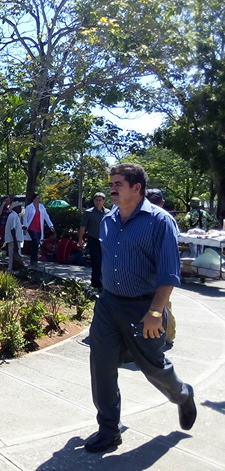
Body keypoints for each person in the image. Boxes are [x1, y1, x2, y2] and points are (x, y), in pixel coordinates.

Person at [84, 163, 196, 454]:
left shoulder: (160, 221)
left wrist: (156, 312)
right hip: (108, 304)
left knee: (152, 367)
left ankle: (183, 395)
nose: (112, 188)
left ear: (137, 188)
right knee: (102, 367)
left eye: (118, 183)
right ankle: (109, 430)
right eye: (111, 183)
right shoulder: (108, 220)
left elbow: (169, 272)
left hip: (143, 308)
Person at [147, 188, 176, 346]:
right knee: (164, 303)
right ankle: (168, 335)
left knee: (159, 304)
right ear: (162, 203)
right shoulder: (166, 219)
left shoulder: (152, 219)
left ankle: (165, 335)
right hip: (163, 272)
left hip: (154, 272)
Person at [78, 192, 110, 289]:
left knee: (104, 262)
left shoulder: (108, 212)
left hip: (105, 241)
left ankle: (103, 281)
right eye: (96, 200)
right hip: (93, 239)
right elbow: (83, 227)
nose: (98, 202)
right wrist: (80, 240)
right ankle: (95, 282)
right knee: (96, 261)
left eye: (100, 200)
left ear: (104, 201)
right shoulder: (89, 212)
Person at [22, 193, 55, 265]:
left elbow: (46, 216)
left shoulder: (42, 207)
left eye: (39, 198)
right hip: (31, 227)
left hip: (39, 228)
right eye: (37, 198)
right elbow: (26, 218)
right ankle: (34, 259)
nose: (39, 200)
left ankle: (34, 258)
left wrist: (50, 225)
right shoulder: (29, 207)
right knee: (35, 242)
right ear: (33, 199)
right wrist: (25, 227)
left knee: (37, 243)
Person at [4, 200, 24, 272]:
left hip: (14, 239)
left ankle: (11, 270)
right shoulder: (14, 216)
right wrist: (15, 242)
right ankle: (13, 270)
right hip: (14, 240)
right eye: (19, 207)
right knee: (15, 256)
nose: (21, 208)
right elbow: (12, 229)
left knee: (12, 256)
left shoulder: (14, 215)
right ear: (15, 208)